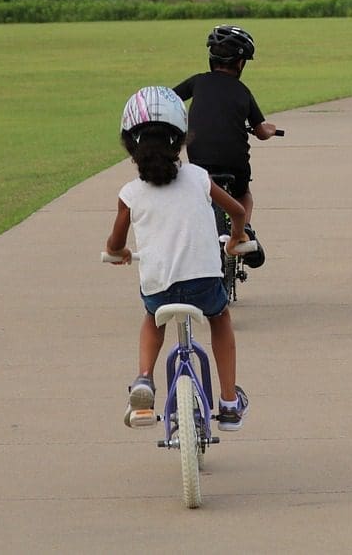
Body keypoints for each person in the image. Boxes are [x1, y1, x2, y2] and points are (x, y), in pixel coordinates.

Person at [104, 85, 250, 432]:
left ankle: (143, 380)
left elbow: (115, 242)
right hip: (204, 285)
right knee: (220, 319)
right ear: (181, 139)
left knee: (152, 318)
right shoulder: (199, 178)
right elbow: (238, 211)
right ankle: (229, 401)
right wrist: (237, 238)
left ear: (130, 144)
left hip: (160, 288)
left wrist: (119, 253)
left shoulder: (130, 194)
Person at [173, 24, 277, 267]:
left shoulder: (198, 82)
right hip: (235, 160)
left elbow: (170, 97)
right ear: (240, 63)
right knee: (243, 194)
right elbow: (261, 132)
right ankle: (245, 232)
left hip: (200, 158)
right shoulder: (243, 91)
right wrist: (270, 130)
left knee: (202, 192)